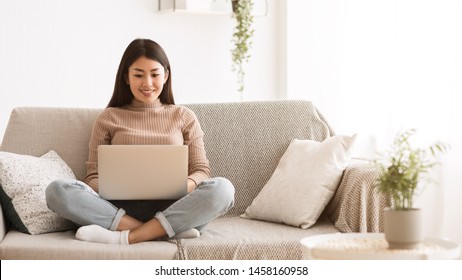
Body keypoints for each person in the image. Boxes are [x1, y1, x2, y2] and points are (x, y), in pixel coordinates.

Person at [45, 38, 235, 245]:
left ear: (166, 76)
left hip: (174, 207)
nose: (147, 83)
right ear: (126, 77)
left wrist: (180, 186)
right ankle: (162, 232)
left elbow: (201, 170)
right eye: (138, 75)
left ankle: (126, 236)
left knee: (223, 189)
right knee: (57, 191)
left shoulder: (184, 116)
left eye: (155, 74)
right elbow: (92, 177)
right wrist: (115, 187)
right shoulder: (108, 118)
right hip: (118, 209)